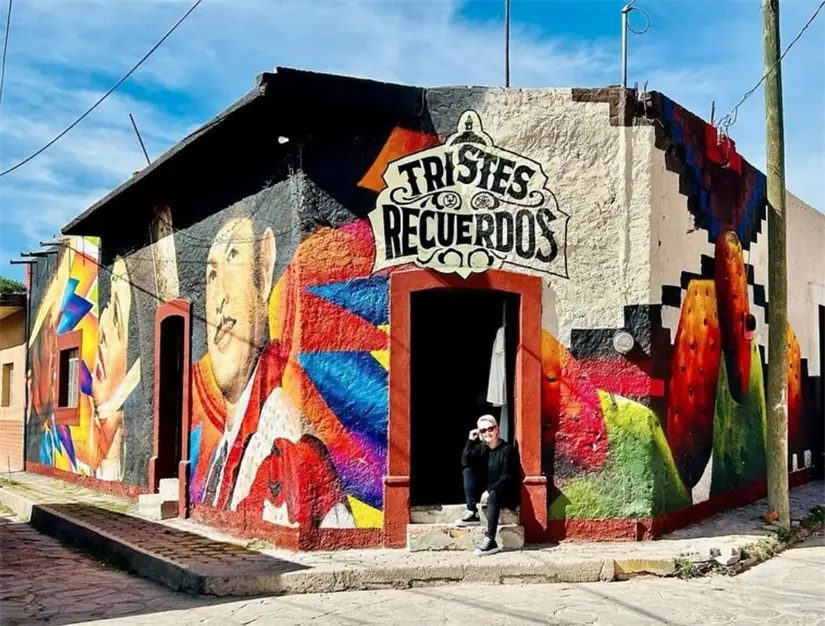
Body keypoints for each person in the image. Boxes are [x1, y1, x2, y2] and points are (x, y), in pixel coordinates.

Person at [190, 214, 354, 529]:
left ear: (264, 275)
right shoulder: (220, 451)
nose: (219, 298)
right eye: (211, 275)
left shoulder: (290, 445)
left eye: (233, 258)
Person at [456, 415, 520, 556]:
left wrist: (490, 491)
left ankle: (490, 539)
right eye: (483, 431)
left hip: (504, 493)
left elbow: (507, 476)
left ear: (497, 429)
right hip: (488, 492)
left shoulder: (507, 450)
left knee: (495, 493)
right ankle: (472, 512)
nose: (487, 433)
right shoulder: (482, 448)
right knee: (468, 470)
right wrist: (470, 440)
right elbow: (465, 460)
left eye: (490, 429)